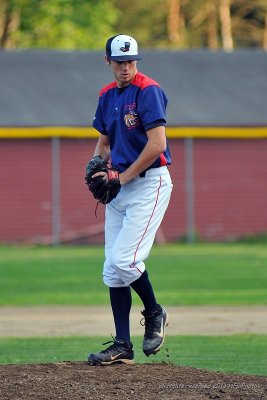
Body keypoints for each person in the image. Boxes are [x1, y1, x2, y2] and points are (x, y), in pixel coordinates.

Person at [87, 34, 173, 366]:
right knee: (112, 269)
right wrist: (98, 169)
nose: (126, 67)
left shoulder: (148, 90)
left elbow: (157, 145)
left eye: (131, 61)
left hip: (148, 185)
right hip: (121, 187)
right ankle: (123, 344)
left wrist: (121, 177)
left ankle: (154, 312)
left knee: (124, 261)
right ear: (108, 61)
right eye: (120, 61)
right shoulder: (107, 95)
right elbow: (105, 144)